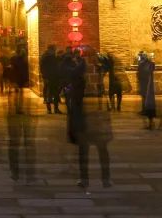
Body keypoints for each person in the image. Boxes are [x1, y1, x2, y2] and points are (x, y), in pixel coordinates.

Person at [67, 47, 112, 189]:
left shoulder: (80, 70)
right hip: (98, 114)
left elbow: (73, 90)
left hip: (86, 115)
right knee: (101, 149)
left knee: (85, 150)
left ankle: (85, 179)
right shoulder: (100, 69)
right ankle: (105, 179)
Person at [136, 51, 157, 129]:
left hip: (146, 85)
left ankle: (146, 111)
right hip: (147, 85)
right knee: (145, 98)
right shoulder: (149, 64)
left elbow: (139, 74)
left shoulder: (143, 65)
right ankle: (145, 111)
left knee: (145, 99)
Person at [41, 44, 62, 114]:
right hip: (49, 78)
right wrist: (45, 77)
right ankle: (49, 109)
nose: (55, 51)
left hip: (55, 78)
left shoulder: (53, 57)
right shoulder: (45, 57)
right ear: (50, 50)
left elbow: (57, 67)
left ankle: (56, 109)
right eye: (54, 49)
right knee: (49, 94)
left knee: (56, 94)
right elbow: (43, 68)